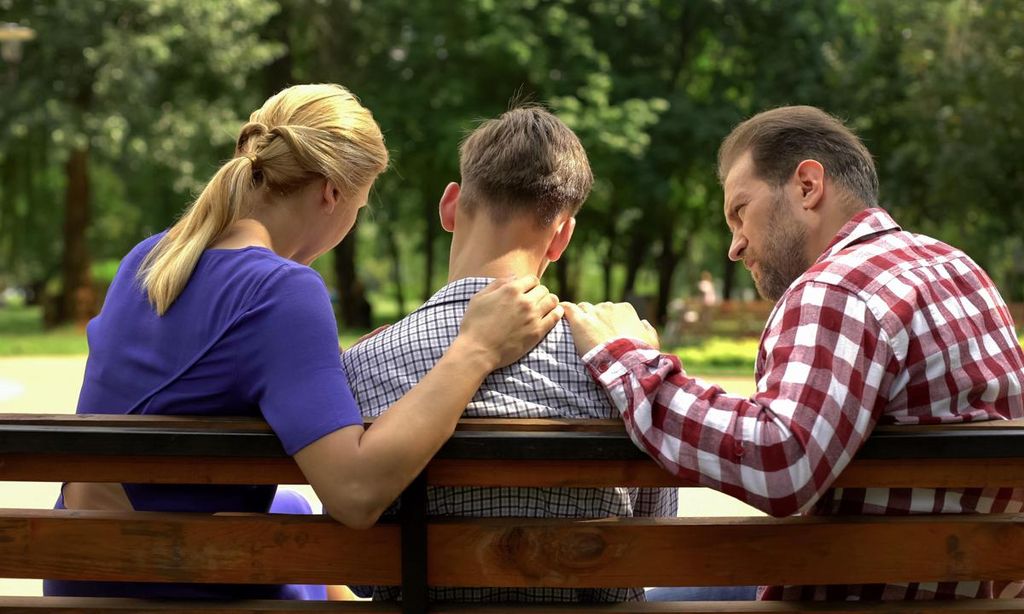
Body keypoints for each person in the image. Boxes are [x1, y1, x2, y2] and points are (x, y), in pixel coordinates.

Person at [44, 84, 562, 601]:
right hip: (166, 585)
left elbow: (201, 363)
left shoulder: (150, 257)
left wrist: (324, 361)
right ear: (332, 194)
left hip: (84, 565)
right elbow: (355, 494)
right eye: (359, 207)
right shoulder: (281, 290)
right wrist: (476, 348)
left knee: (290, 509)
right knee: (309, 538)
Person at [561, 105, 1024, 601]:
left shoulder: (839, 286)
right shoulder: (956, 268)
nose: (734, 247)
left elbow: (779, 459)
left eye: (740, 212)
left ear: (807, 186)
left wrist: (627, 358)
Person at [341, 105, 676, 603]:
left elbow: (362, 574)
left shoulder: (364, 364)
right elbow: (651, 544)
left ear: (450, 206)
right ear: (562, 235)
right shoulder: (619, 366)